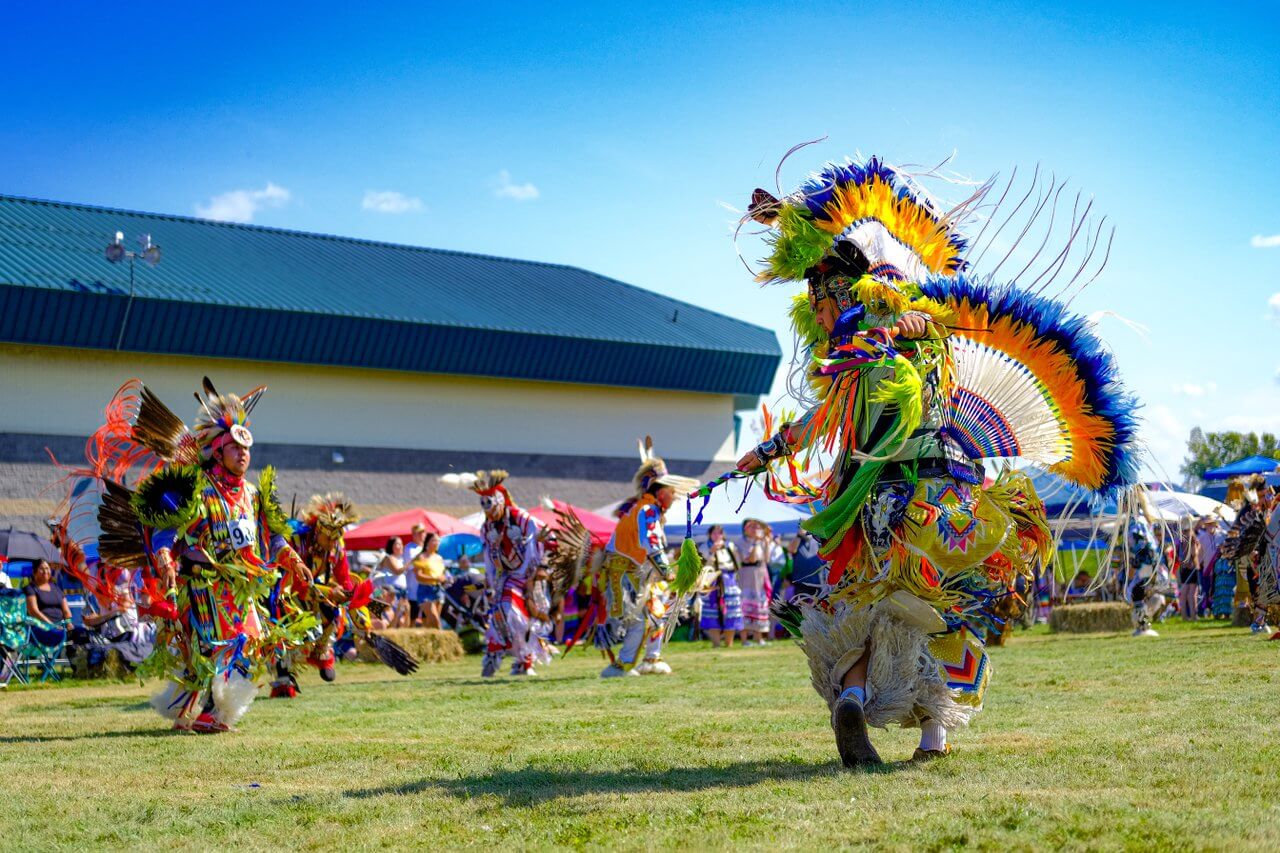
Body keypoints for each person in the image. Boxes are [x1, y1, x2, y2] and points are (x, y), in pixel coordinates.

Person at [686, 156, 1136, 767]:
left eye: (820, 303)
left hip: (883, 510)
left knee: (869, 610)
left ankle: (854, 694)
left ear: (845, 296)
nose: (816, 315)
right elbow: (837, 403)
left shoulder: (875, 351)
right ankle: (930, 737)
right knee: (937, 615)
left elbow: (822, 420)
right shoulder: (895, 349)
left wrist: (769, 450)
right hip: (939, 508)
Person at [52, 378, 315, 733]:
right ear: (218, 451)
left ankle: (192, 710)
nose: (244, 455)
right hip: (205, 584)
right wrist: (163, 558)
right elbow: (167, 530)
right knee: (213, 647)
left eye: (247, 449)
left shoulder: (252, 494)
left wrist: (293, 561)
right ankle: (209, 712)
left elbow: (272, 536)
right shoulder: (199, 489)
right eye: (235, 449)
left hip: (244, 586)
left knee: (245, 646)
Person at [589, 438, 698, 677]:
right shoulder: (647, 510)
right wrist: (666, 571)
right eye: (671, 491)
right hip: (628, 573)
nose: (674, 497)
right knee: (640, 620)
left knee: (656, 613)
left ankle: (651, 659)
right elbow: (651, 543)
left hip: (636, 572)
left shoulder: (646, 508)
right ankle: (622, 665)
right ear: (659, 492)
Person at [454, 470, 546, 677]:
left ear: (500, 502)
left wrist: (527, 549)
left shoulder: (520, 518)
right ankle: (497, 656)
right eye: (485, 507)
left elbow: (540, 535)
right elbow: (488, 554)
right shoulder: (487, 527)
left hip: (528, 574)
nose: (489, 513)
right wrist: (490, 578)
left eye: (491, 506)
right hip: (505, 577)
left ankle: (525, 660)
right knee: (501, 614)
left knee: (520, 616)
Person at [698, 525, 743, 648]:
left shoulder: (730, 546)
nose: (717, 535)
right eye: (714, 533)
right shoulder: (704, 547)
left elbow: (738, 564)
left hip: (729, 581)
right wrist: (711, 552)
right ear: (710, 534)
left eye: (720, 533)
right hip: (712, 580)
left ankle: (729, 643)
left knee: (731, 611)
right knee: (712, 611)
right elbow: (701, 566)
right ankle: (716, 644)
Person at [738, 519, 774, 646]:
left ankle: (759, 638)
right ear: (745, 529)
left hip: (760, 576)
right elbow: (750, 558)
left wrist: (767, 541)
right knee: (745, 607)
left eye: (757, 527)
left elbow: (767, 559)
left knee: (759, 606)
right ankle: (744, 639)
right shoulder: (741, 542)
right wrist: (757, 542)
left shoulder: (761, 542)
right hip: (747, 577)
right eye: (751, 527)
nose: (755, 529)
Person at [24, 559, 72, 648]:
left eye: (47, 568)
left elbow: (66, 610)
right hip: (41, 627)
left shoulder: (56, 588)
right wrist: (52, 625)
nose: (45, 571)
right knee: (57, 633)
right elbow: (34, 611)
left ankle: (79, 659)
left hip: (60, 626)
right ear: (34, 572)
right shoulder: (30, 588)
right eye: (41, 569)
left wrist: (69, 624)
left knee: (81, 632)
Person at [412, 532, 446, 629]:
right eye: (434, 540)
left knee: (430, 623)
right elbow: (418, 576)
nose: (437, 543)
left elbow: (441, 574)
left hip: (438, 590)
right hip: (425, 590)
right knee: (435, 620)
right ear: (427, 542)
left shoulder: (439, 558)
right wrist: (435, 578)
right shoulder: (421, 557)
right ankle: (441, 640)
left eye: (438, 541)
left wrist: (443, 578)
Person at [375, 537, 408, 626]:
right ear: (391, 546)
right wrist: (410, 563)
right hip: (391, 591)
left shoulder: (400, 560)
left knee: (401, 617)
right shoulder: (389, 558)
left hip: (401, 591)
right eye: (398, 544)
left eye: (401, 544)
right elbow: (397, 571)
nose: (401, 546)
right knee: (393, 617)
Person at [402, 524, 427, 624]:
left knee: (426, 619)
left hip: (426, 591)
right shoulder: (409, 548)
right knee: (412, 620)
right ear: (414, 535)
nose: (422, 535)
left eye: (423, 532)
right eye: (419, 533)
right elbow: (414, 567)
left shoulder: (427, 548)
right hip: (413, 592)